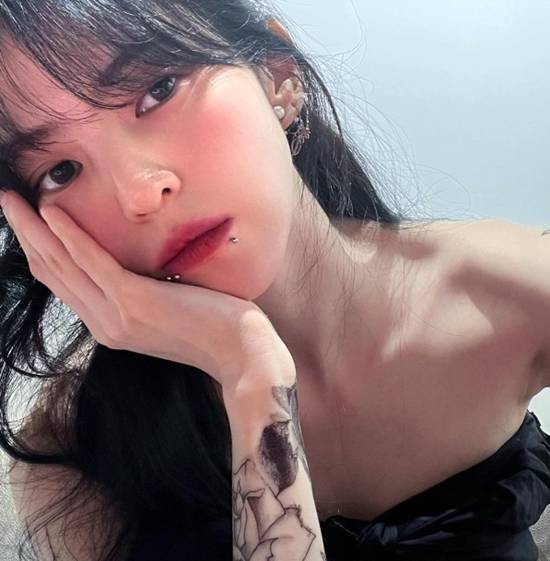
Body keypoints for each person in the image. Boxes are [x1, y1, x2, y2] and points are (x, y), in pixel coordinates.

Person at [0, 1, 549, 560]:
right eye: (60, 171)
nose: (139, 194)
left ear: (276, 77)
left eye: (158, 90)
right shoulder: (70, 452)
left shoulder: (515, 287)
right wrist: (247, 370)